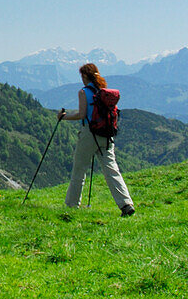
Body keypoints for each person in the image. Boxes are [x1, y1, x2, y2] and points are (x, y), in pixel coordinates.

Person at [57, 62, 136, 216]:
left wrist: (64, 117)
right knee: (111, 170)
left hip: (89, 134)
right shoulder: (103, 91)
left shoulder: (83, 92)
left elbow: (82, 114)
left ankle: (72, 205)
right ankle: (126, 204)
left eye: (82, 75)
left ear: (85, 76)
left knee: (79, 170)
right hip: (107, 135)